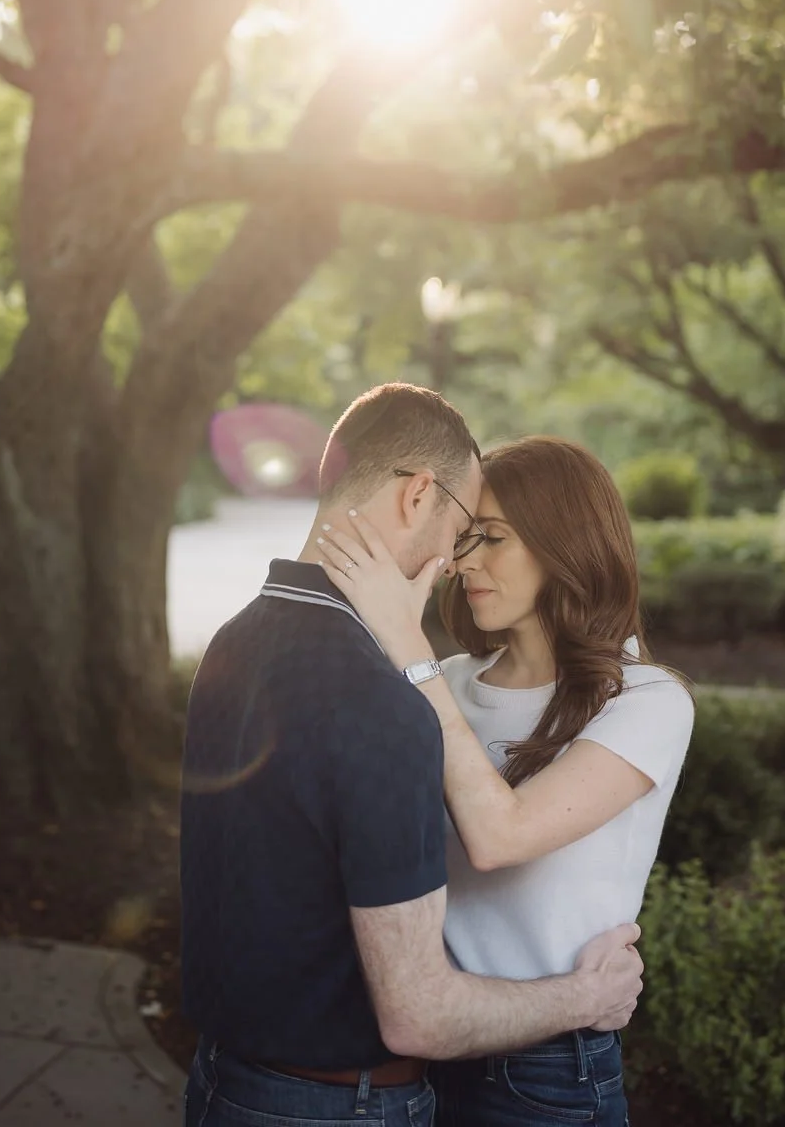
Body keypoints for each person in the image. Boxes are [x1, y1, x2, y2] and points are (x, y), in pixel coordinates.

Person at [180, 386, 645, 1127]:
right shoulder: (385, 701)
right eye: (463, 527)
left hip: (224, 1080)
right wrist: (589, 997)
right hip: (335, 1107)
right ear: (419, 493)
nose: (454, 562)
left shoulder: (237, 640)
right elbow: (419, 1015)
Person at [317, 433, 695, 1127]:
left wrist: (408, 644)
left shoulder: (647, 701)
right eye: (462, 539)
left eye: (491, 539)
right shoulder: (450, 681)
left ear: (564, 544)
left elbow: (499, 835)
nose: (465, 564)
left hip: (545, 1074)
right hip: (414, 1050)